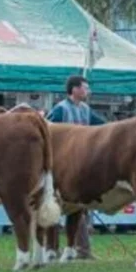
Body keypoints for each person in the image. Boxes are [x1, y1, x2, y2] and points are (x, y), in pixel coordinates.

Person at [47, 75, 106, 258]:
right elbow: (48, 131)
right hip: (60, 165)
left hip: (80, 164)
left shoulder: (86, 109)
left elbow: (103, 125)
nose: (88, 91)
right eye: (85, 88)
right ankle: (52, 248)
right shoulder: (60, 109)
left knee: (80, 209)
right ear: (74, 89)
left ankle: (81, 249)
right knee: (55, 207)